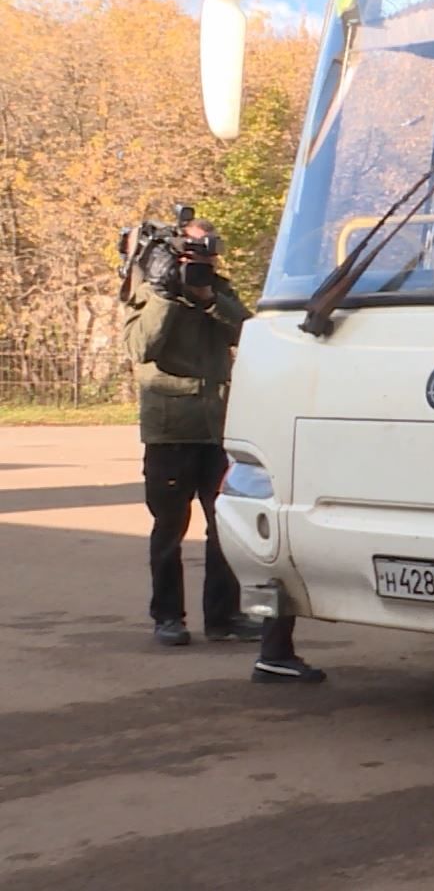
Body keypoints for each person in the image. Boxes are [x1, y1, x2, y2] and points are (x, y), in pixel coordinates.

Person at [121, 216, 324, 682]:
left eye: (211, 249)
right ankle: (168, 617)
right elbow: (142, 348)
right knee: (169, 528)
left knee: (224, 528)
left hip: (217, 427)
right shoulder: (151, 292)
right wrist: (168, 297)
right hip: (171, 430)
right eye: (196, 251)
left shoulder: (217, 288)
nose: (206, 257)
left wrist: (210, 299)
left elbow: (248, 335)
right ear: (175, 253)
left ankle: (223, 617)